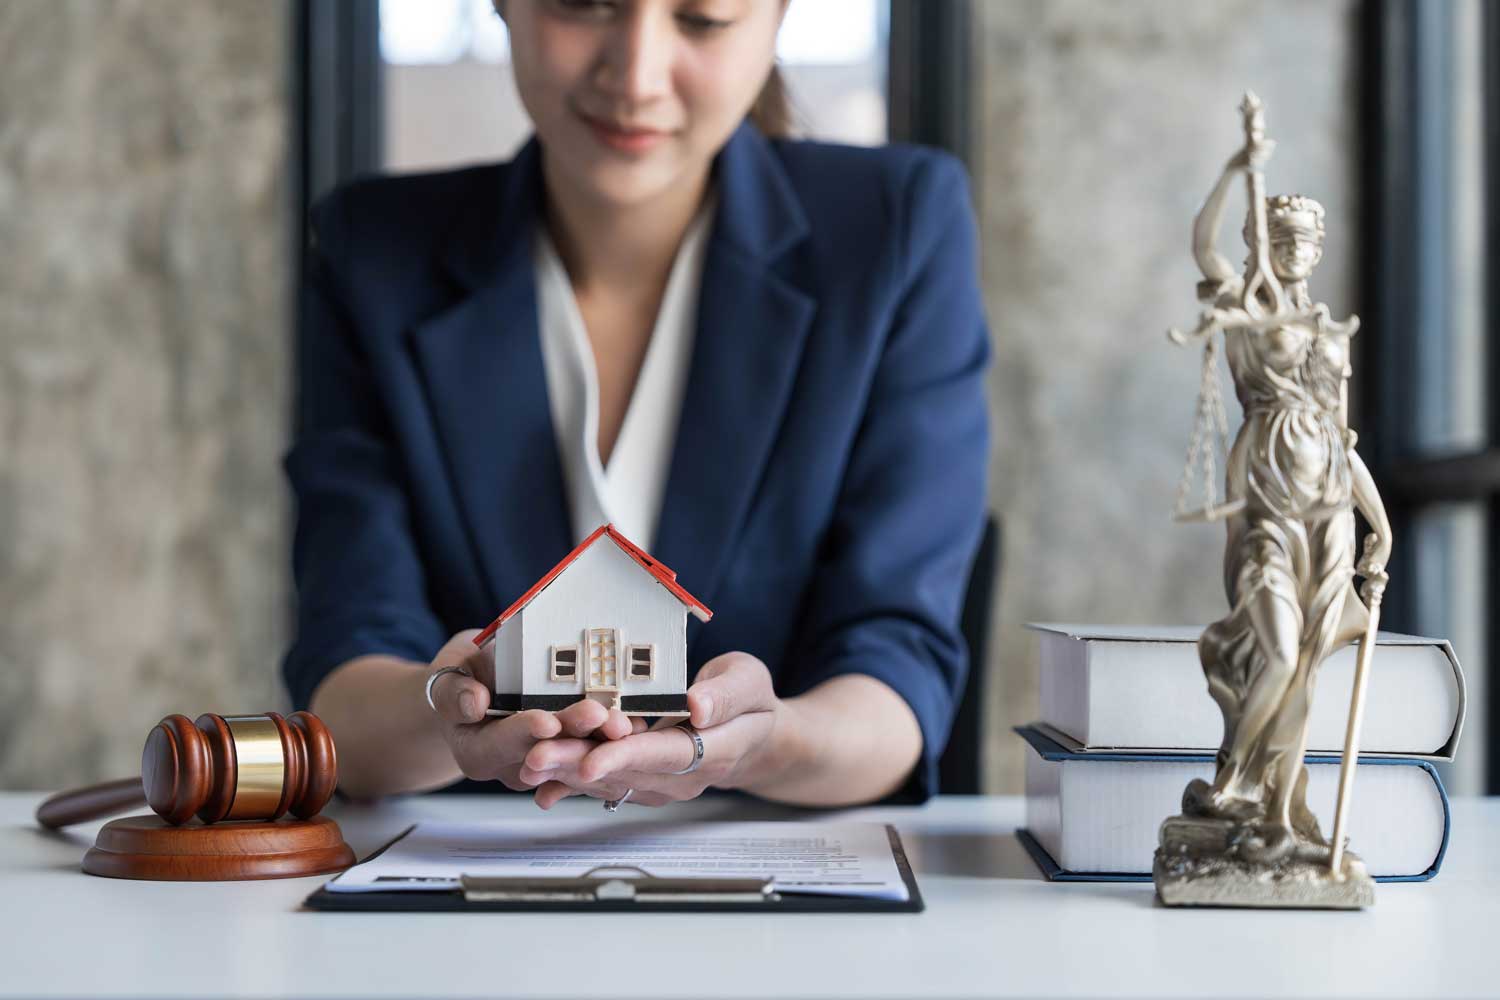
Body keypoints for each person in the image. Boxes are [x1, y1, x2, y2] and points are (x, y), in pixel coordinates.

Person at [282, 0, 990, 811]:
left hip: (775, 884)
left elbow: (897, 672)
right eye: (585, 4)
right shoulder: (372, 254)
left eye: (704, 18)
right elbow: (344, 677)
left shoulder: (895, 231)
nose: (637, 75)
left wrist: (760, 743)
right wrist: (449, 709)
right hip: (460, 893)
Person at [1179, 134, 1391, 858]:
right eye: (1284, 237)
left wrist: (1380, 525)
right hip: (1266, 491)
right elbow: (1203, 246)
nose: (1298, 246)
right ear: (1262, 243)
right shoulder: (1243, 304)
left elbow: (1342, 437)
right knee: (1273, 648)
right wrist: (1234, 169)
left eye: (1308, 237)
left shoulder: (1329, 334)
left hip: (1328, 502)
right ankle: (1232, 776)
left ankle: (1276, 816)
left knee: (1307, 661)